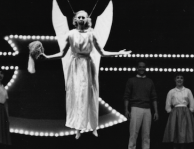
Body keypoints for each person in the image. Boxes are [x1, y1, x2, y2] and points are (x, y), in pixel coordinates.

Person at [40, 10, 131, 138]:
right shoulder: (71, 34)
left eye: (84, 17)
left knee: (90, 95)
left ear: (87, 19)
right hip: (76, 67)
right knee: (77, 95)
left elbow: (102, 52)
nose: (81, 18)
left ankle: (93, 126)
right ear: (75, 20)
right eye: (79, 17)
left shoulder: (91, 34)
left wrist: (119, 53)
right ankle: (78, 128)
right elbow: (62, 54)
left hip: (88, 66)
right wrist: (48, 57)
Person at [124, 61, 158, 149]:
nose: (141, 69)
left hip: (147, 109)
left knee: (146, 135)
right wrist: (126, 110)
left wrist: (156, 111)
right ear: (137, 68)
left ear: (145, 68)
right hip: (135, 108)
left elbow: (154, 97)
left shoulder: (149, 81)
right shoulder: (131, 80)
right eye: (140, 67)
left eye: (143, 67)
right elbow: (126, 96)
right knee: (133, 134)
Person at [163, 74, 194, 149]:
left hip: (185, 113)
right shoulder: (171, 91)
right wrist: (172, 113)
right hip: (175, 114)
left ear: (183, 80)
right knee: (175, 137)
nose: (179, 80)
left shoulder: (187, 91)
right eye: (178, 78)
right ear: (175, 80)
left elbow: (192, 104)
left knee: (183, 137)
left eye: (181, 78)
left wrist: (189, 112)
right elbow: (167, 104)